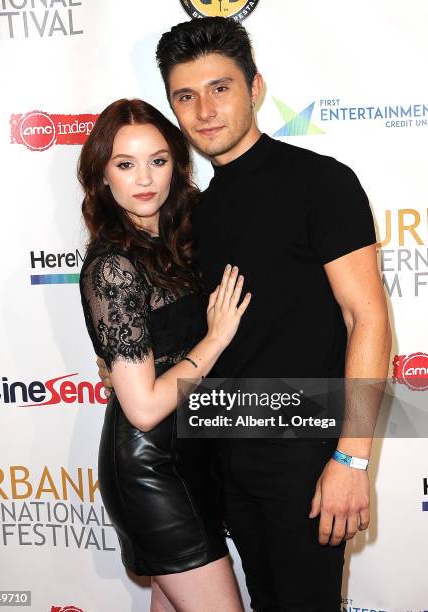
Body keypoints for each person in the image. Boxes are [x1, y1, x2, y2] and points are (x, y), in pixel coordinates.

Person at [98, 17, 392, 612]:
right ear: (173, 107)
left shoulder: (322, 184)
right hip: (217, 466)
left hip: (306, 459)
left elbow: (370, 321)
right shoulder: (191, 217)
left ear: (255, 87)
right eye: (186, 95)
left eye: (221, 87)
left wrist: (352, 456)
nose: (204, 109)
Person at [77, 97, 252, 612]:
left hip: (199, 456)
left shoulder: (183, 237)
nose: (145, 178)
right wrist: (215, 338)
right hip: (152, 469)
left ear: (176, 162)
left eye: (157, 160)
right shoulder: (113, 267)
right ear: (102, 177)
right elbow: (145, 406)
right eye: (125, 165)